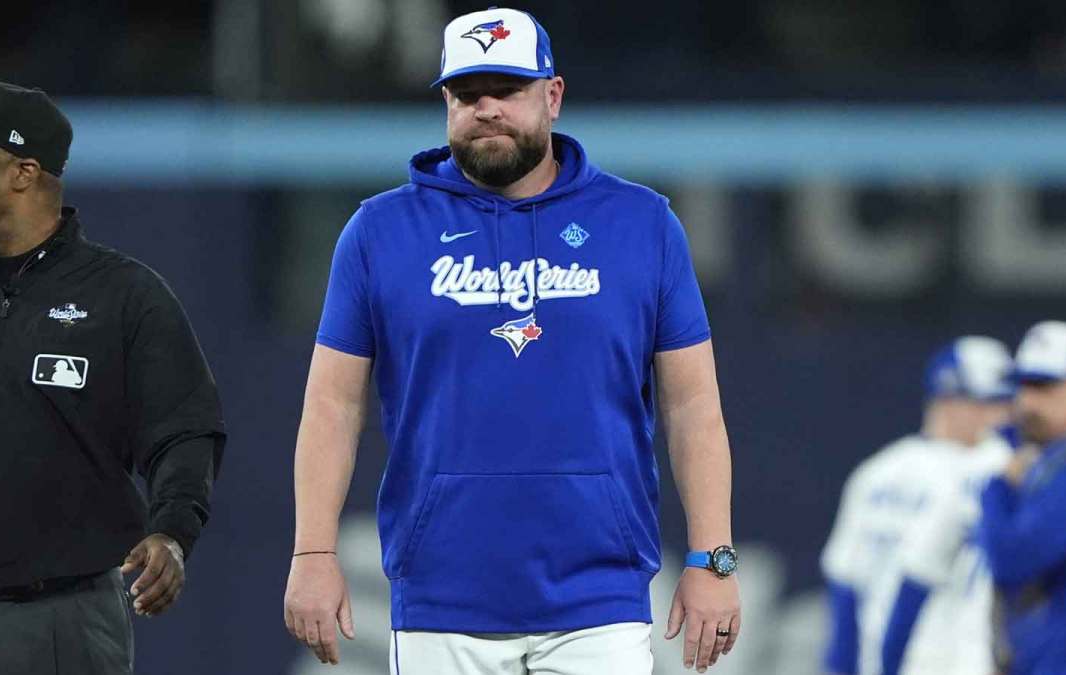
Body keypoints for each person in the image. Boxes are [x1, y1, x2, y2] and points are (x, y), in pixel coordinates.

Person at [283, 7, 741, 674]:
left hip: (600, 598)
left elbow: (692, 405)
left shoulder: (642, 225)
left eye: (508, 90)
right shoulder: (379, 233)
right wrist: (312, 553)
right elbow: (332, 405)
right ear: (446, 104)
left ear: (552, 96)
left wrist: (712, 557)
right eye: (468, 94)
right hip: (441, 598)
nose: (487, 108)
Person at [0, 81, 226, 674]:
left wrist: (172, 533)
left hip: (70, 620)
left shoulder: (125, 296)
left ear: (23, 173)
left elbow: (184, 431)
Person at [821, 336, 1013, 675]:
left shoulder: (877, 470)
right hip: (930, 656)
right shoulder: (990, 465)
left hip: (919, 658)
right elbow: (845, 584)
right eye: (990, 402)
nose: (1003, 414)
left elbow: (844, 582)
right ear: (949, 398)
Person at [978, 321, 1066, 675]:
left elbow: (1011, 559)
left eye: (1044, 387)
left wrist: (998, 490)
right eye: (1021, 386)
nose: (1026, 402)